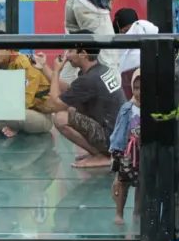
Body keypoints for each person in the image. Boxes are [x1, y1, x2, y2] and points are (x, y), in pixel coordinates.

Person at [42, 30, 126, 168]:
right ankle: (101, 152)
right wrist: (44, 67)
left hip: (112, 140)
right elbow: (70, 90)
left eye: (70, 50)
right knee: (71, 107)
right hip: (117, 136)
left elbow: (54, 105)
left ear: (83, 54)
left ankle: (104, 155)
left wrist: (57, 71)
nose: (67, 55)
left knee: (60, 117)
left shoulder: (89, 79)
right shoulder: (100, 69)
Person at [0, 31, 53, 137]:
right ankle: (5, 128)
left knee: (9, 113)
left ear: (7, 49)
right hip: (17, 111)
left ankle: (9, 127)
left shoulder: (26, 65)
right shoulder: (6, 64)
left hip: (39, 116)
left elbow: (25, 103)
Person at [109, 68, 142, 225]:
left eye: (143, 88)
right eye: (136, 88)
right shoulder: (128, 108)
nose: (139, 92)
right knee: (123, 181)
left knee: (142, 183)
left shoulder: (154, 108)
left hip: (144, 152)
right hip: (129, 151)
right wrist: (116, 152)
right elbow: (120, 130)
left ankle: (138, 211)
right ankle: (119, 212)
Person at [112, 7, 159, 99]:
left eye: (132, 30)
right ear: (117, 28)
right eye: (125, 31)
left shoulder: (144, 46)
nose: (129, 35)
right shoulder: (111, 46)